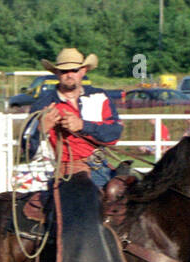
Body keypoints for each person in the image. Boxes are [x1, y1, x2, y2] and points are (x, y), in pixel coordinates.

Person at [27, 48, 123, 189]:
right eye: (64, 71)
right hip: (67, 171)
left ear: (83, 71)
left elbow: (114, 134)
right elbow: (28, 149)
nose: (69, 75)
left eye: (74, 70)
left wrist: (82, 125)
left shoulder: (100, 97)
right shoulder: (43, 104)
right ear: (57, 73)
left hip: (100, 166)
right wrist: (41, 129)